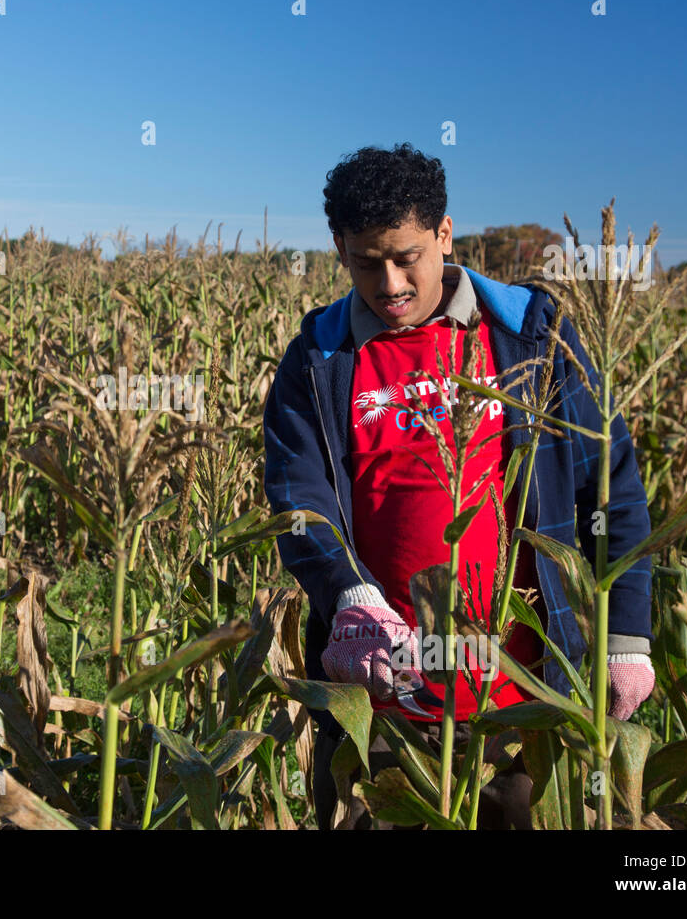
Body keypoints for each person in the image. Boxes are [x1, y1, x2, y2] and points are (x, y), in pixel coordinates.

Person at [261, 143, 656, 829]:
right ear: (339, 249)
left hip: (525, 700)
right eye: (365, 262)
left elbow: (610, 484)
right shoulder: (319, 359)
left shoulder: (532, 336)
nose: (388, 284)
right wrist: (347, 596)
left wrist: (626, 636)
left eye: (406, 256)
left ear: (444, 235)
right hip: (380, 706)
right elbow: (300, 496)